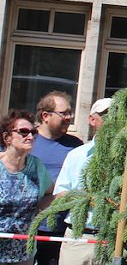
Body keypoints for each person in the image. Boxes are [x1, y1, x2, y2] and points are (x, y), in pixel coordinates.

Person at [53, 98, 113, 265]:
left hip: (112, 238)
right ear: (92, 120)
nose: (112, 120)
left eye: (117, 115)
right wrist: (89, 199)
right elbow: (60, 194)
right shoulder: (77, 155)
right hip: (78, 238)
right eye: (106, 115)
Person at [32, 92, 83, 265]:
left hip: (60, 227)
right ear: (45, 116)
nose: (69, 118)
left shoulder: (75, 145)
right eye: (64, 113)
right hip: (30, 225)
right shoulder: (28, 140)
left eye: (70, 113)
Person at [0, 110, 54, 265]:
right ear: (7, 137)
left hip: (24, 254)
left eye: (33, 132)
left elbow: (50, 193)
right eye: (23, 132)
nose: (30, 137)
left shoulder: (36, 166)